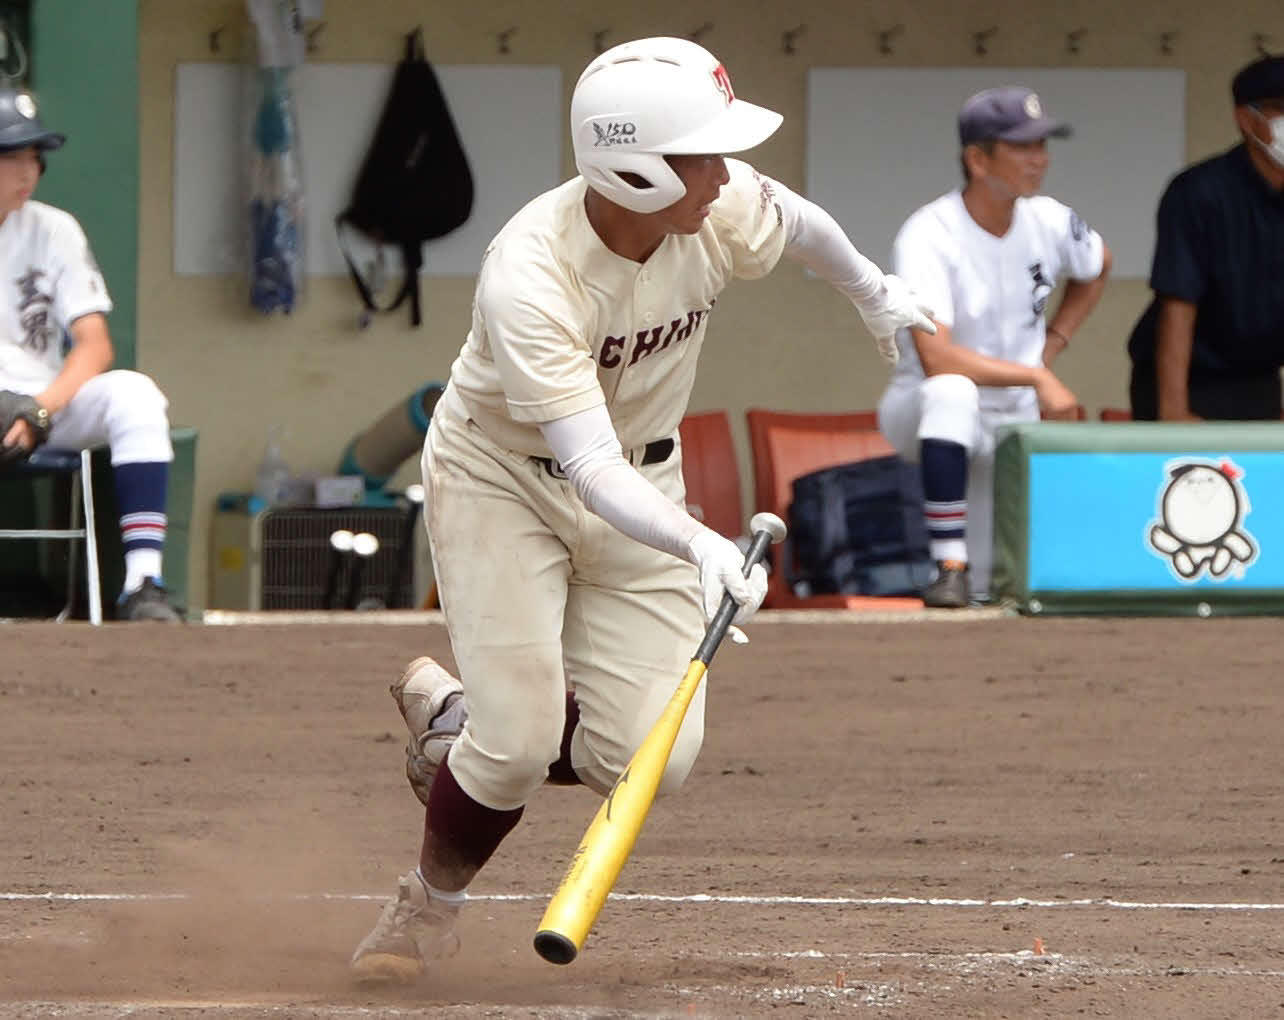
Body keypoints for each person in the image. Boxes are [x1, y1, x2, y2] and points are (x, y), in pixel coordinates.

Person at [349, 36, 935, 982]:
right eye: (702, 156)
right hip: (503, 480)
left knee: (651, 757)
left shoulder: (714, 208)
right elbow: (586, 465)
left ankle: (457, 724)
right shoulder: (531, 273)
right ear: (634, 170)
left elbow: (801, 223)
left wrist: (871, 292)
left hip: (645, 480)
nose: (724, 175)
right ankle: (426, 908)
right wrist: (703, 545)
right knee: (516, 746)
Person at [876, 86, 1112, 608]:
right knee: (952, 391)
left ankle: (966, 580)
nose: (1039, 158)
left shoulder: (1050, 218)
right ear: (977, 160)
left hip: (1011, 415)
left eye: (1042, 145)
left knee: (991, 591)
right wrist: (1037, 374)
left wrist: (1053, 344)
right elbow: (937, 358)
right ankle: (948, 565)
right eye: (1022, 147)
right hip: (923, 408)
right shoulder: (928, 231)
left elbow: (1098, 265)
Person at [0, 87, 182, 622]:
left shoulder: (52, 229)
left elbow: (95, 344)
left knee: (135, 395)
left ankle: (143, 583)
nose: (29, 171)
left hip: (41, 403)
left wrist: (41, 410)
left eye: (35, 157)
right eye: (13, 156)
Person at [1126, 54, 1284, 421]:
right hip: (1188, 376)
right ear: (1247, 118)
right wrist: (1174, 410)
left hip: (1258, 375)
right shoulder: (1199, 192)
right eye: (1281, 108)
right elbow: (1179, 301)